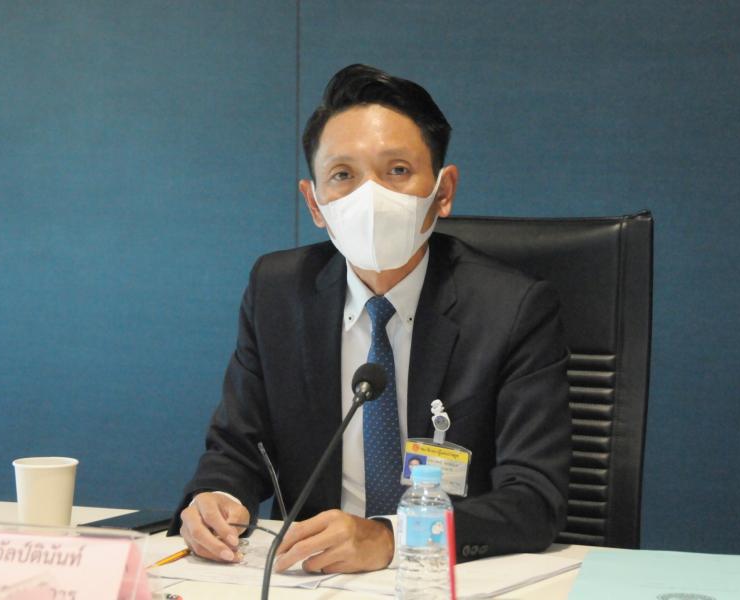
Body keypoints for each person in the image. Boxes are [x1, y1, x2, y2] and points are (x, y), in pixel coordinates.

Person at [168, 64, 571, 574]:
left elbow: (533, 498)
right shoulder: (279, 292)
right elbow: (239, 449)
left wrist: (389, 538)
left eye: (397, 170)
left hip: (446, 580)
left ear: (443, 191)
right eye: (343, 175)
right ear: (314, 203)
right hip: (311, 577)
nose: (371, 196)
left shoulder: (510, 308)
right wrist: (217, 499)